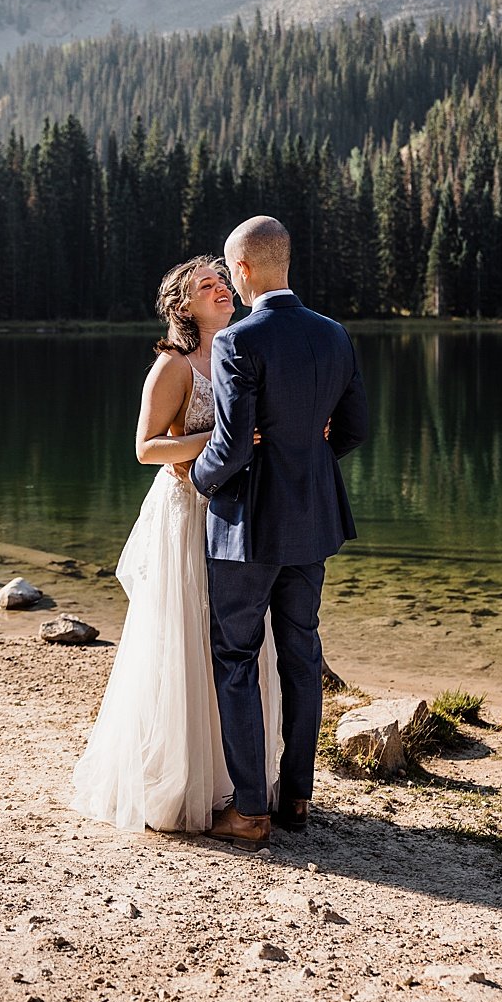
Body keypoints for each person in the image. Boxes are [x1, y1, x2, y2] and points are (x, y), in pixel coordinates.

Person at [71, 256, 281, 833]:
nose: (221, 290)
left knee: (238, 641)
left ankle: (238, 779)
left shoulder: (244, 349)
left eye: (222, 281)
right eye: (205, 287)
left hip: (239, 513)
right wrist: (219, 438)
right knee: (185, 640)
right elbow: (146, 449)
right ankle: (183, 782)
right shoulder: (174, 366)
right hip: (187, 515)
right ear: (183, 306)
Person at [192, 216, 369, 848]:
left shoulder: (239, 340)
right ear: (284, 263)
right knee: (301, 656)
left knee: (237, 657)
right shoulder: (334, 335)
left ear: (242, 271)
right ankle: (295, 797)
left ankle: (249, 811)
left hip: (247, 529)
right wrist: (308, 457)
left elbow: (233, 447)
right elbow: (353, 429)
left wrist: (200, 478)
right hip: (312, 522)